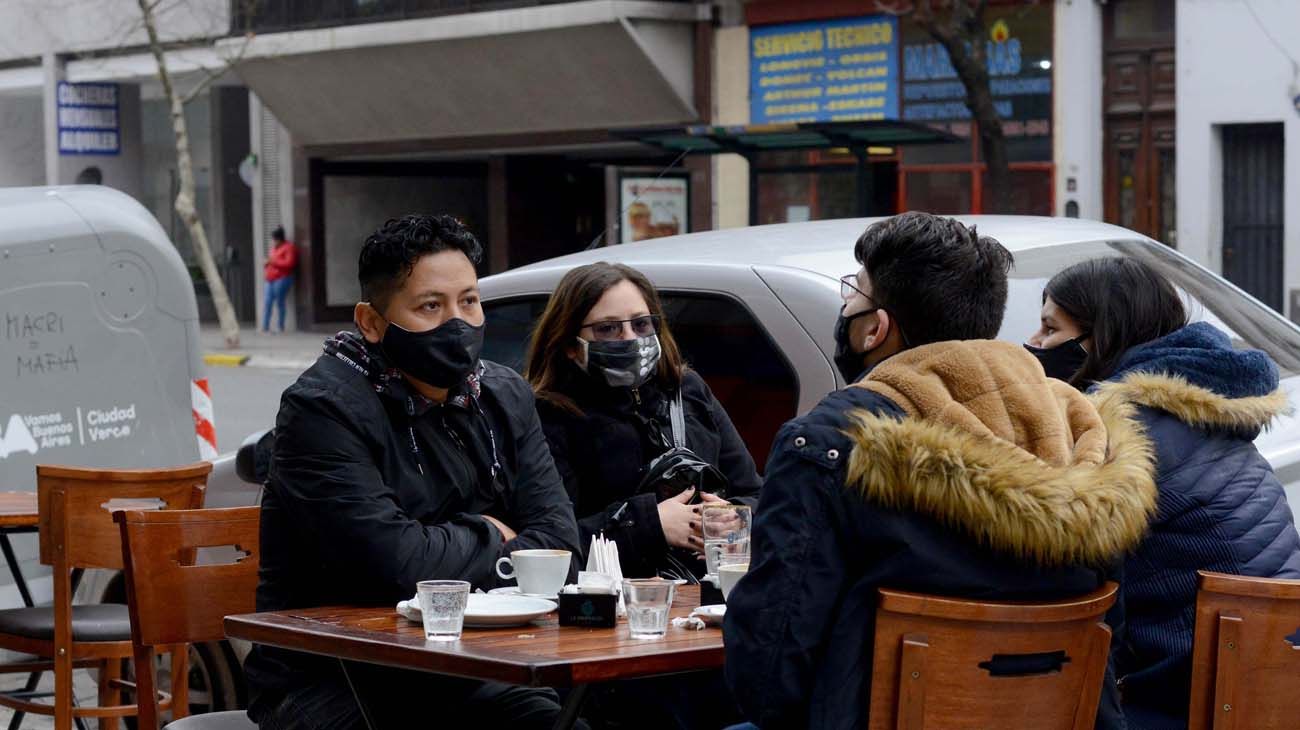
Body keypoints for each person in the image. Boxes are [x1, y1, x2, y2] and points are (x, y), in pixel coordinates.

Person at [723, 212, 1157, 730]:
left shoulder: (830, 445)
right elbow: (1114, 636)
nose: (846, 307)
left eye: (853, 293)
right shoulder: (1082, 432)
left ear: (875, 328)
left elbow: (770, 678)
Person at [244, 214, 582, 730]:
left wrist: (438, 546)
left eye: (468, 301)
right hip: (336, 676)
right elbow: (394, 566)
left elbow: (560, 543)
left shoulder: (504, 395)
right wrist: (494, 533)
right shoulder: (323, 408)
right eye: (430, 306)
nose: (458, 323)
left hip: (473, 667)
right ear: (372, 322)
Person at [1025, 256, 1300, 729]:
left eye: (1050, 329)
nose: (1033, 343)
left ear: (1098, 338)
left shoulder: (1123, 428)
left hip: (1190, 685)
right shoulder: (1196, 404)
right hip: (1268, 664)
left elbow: (1057, 560)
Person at [524, 261, 762, 580]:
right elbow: (549, 543)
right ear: (569, 344)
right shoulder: (547, 415)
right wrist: (651, 523)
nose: (629, 339)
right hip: (612, 610)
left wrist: (731, 519)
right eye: (607, 329)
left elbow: (757, 495)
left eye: (641, 324)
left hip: (706, 601)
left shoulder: (687, 391)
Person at [263, 225, 297, 333]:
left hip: (282, 278)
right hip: (270, 278)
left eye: (275, 239)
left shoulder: (288, 247)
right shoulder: (274, 249)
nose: (274, 242)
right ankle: (265, 326)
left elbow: (289, 263)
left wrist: (273, 262)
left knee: (280, 302)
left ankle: (280, 326)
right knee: (268, 302)